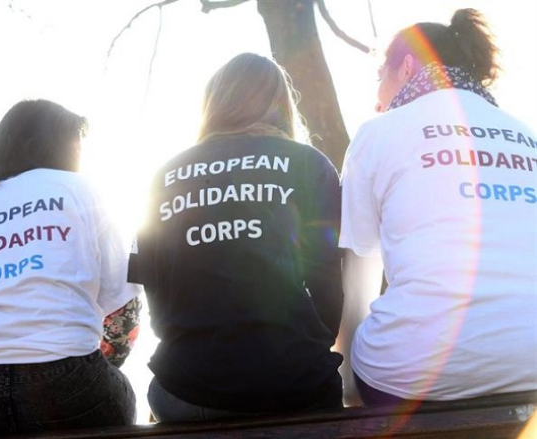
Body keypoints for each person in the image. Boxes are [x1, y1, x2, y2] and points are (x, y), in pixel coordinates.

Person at [339, 8, 537, 407]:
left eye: (380, 77)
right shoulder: (526, 134)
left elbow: (358, 270)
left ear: (407, 66)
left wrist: (348, 387)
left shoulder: (377, 133)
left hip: (412, 376)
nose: (378, 101)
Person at [131, 53, 344, 423]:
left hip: (187, 387)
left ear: (213, 104)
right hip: (294, 385)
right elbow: (327, 285)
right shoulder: (309, 164)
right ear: (280, 105)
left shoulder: (164, 175)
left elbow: (156, 292)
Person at [0, 99, 141, 436]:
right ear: (63, 147)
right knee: (123, 395)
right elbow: (124, 314)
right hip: (71, 387)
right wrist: (89, 369)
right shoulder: (86, 192)